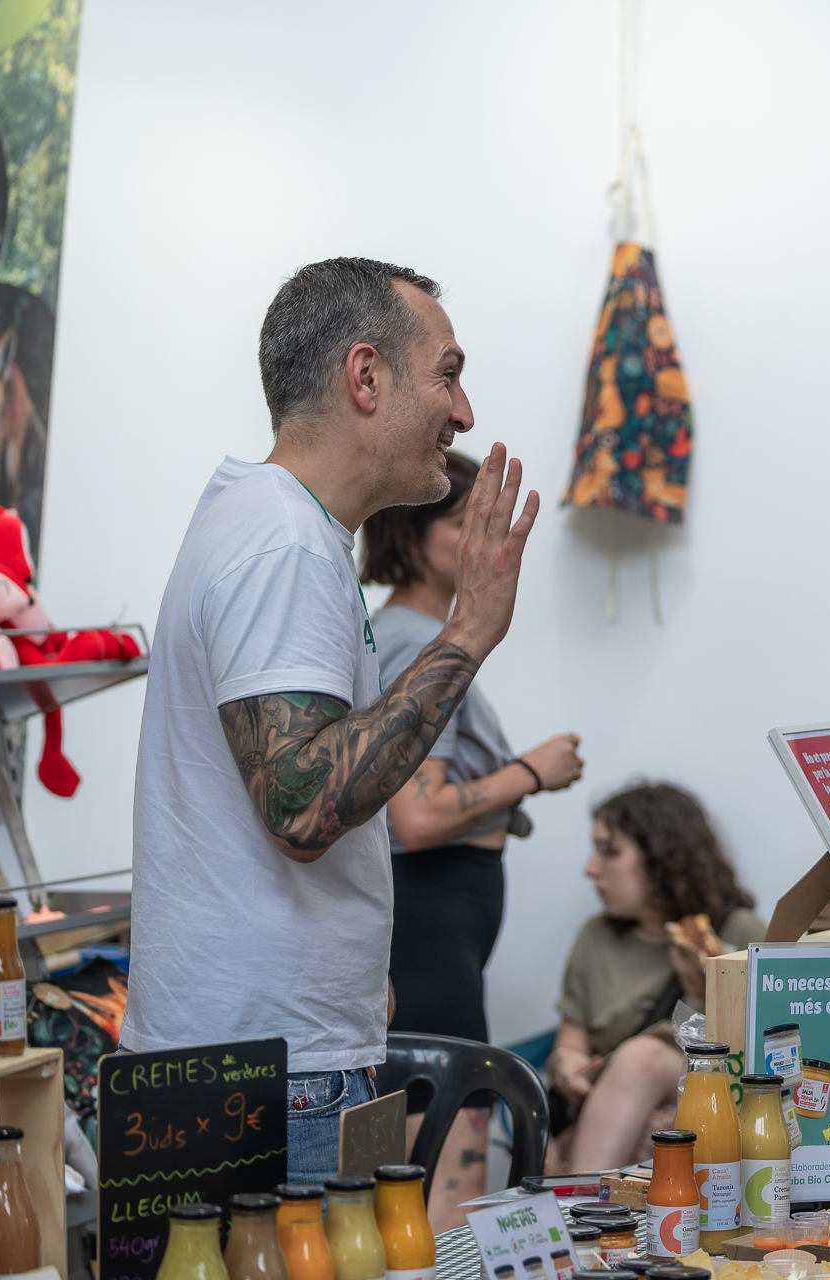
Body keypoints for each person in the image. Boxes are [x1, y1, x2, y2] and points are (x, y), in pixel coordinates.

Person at [127, 257, 540, 1185]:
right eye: (447, 375)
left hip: (259, 1056)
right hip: (269, 1076)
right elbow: (302, 805)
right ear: (366, 376)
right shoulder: (284, 543)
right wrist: (468, 632)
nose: (463, 411)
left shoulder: (270, 524)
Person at [359, 449, 585, 1225]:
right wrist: (530, 772)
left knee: (422, 1191)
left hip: (439, 935)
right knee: (444, 1203)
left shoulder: (411, 633)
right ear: (412, 535)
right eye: (464, 523)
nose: (484, 541)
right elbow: (417, 815)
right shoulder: (412, 642)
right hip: (428, 938)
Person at [545, 783, 766, 1173]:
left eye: (610, 851)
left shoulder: (738, 931)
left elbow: (771, 1049)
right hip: (609, 1110)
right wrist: (569, 1067)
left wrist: (715, 992)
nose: (590, 868)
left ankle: (586, 1199)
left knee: (641, 1059)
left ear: (663, 858)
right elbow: (570, 1043)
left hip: (715, 1095)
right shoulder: (596, 937)